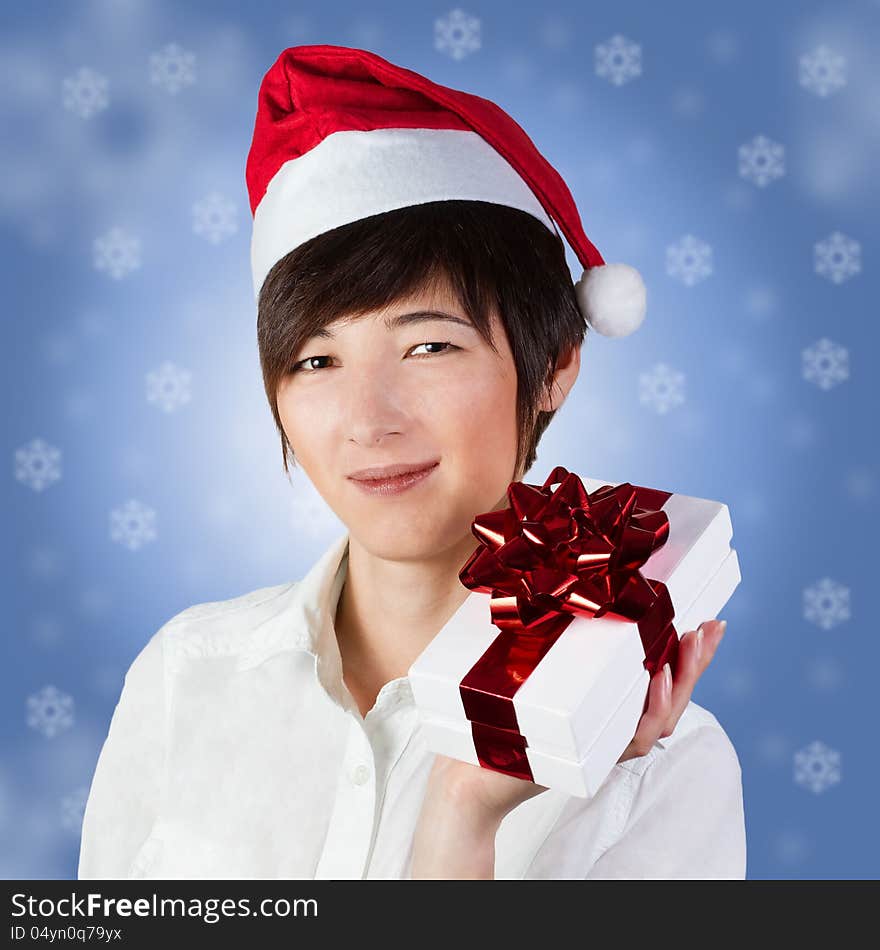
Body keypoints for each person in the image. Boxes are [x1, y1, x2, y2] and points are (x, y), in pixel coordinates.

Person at [78, 45, 746, 880]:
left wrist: (464, 815)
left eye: (429, 345)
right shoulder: (189, 673)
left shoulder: (658, 768)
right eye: (317, 362)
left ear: (555, 366)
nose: (368, 420)